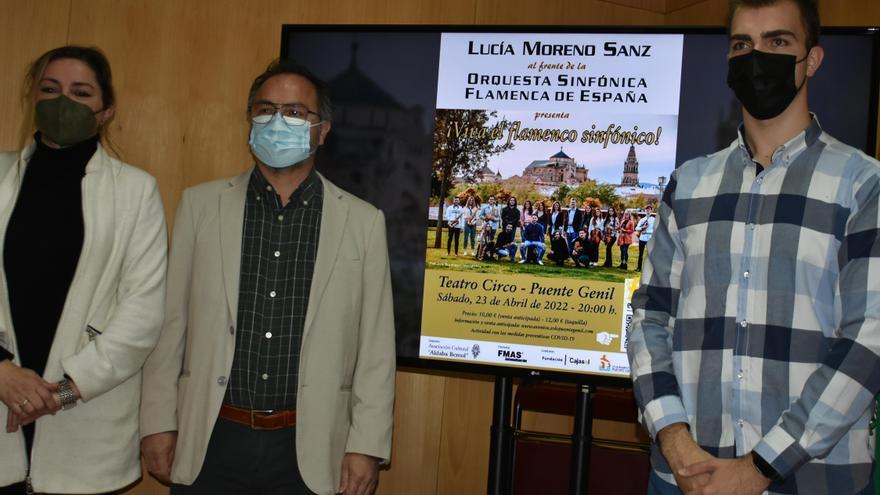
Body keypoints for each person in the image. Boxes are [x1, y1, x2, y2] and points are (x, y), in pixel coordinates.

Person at [627, 1, 880, 494]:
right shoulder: (689, 184)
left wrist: (759, 467)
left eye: (778, 42)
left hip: (813, 480)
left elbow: (868, 341)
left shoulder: (862, 185)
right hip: (685, 477)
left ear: (812, 60)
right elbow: (649, 317)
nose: (756, 57)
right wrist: (674, 441)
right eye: (742, 45)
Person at [140, 59, 395, 495]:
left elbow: (375, 347)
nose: (278, 121)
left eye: (296, 112)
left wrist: (366, 445)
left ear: (322, 130)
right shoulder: (200, 208)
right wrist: (158, 422)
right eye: (266, 109)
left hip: (311, 450)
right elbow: (170, 324)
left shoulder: (362, 222)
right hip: (211, 438)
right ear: (249, 120)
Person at [0, 45, 167, 494]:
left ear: (106, 110)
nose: (62, 103)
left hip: (86, 429)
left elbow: (141, 315)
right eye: (50, 89)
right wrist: (2, 373)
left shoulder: (136, 192)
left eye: (81, 92)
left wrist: (59, 394)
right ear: (32, 97)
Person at [634, 205, 655, 271]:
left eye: (649, 209)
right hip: (642, 237)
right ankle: (639, 267)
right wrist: (642, 228)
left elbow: (656, 228)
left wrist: (649, 231)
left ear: (651, 210)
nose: (648, 210)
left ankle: (649, 269)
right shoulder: (642, 219)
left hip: (649, 238)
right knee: (641, 254)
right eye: (647, 209)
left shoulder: (653, 219)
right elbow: (636, 228)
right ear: (645, 210)